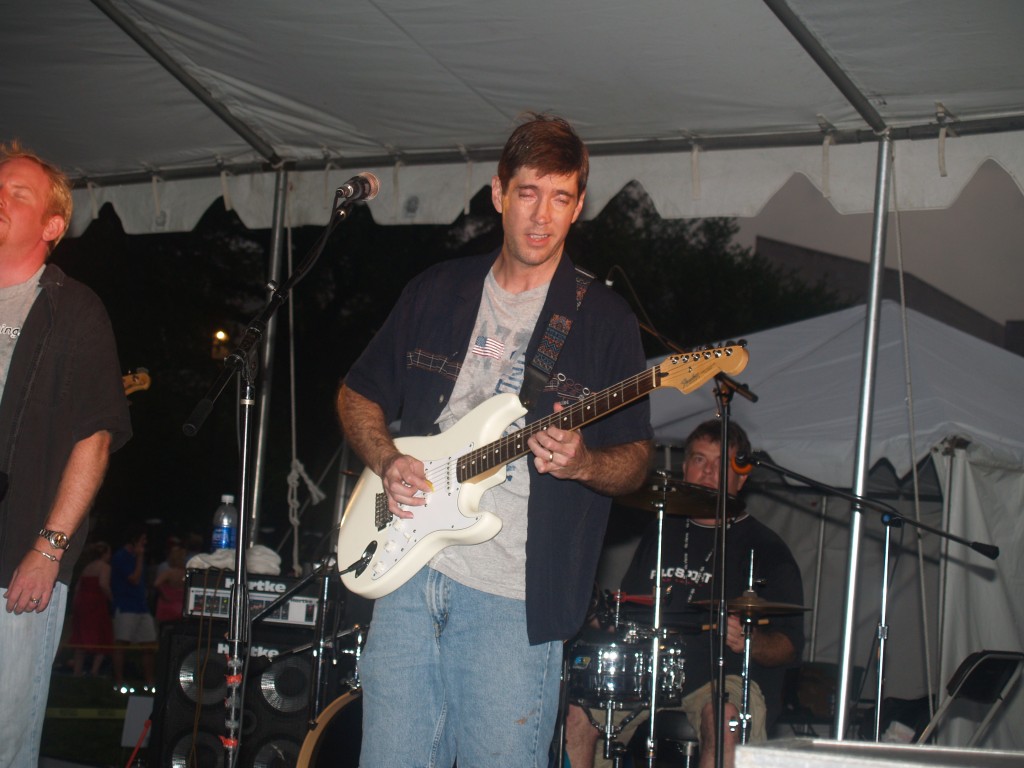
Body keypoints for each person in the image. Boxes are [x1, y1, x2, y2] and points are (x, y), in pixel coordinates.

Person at [336, 113, 654, 767]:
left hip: (514, 599)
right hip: (407, 575)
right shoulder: (437, 290)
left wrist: (585, 462)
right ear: (499, 193)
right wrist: (387, 458)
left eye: (560, 198)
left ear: (578, 207)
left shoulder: (604, 320)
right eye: (529, 193)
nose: (542, 216)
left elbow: (635, 464)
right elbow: (356, 394)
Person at [565, 419, 804, 768]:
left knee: (725, 722)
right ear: (685, 467)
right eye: (699, 459)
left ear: (741, 478)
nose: (708, 472)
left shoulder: (766, 547)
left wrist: (750, 640)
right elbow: (631, 612)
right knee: (577, 713)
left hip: (718, 679)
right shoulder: (661, 531)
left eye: (721, 463)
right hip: (647, 672)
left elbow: (790, 645)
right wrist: (599, 615)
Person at [0, 140, 132, 768]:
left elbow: (94, 437)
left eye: (16, 193)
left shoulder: (72, 310)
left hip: (13, 567)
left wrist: (48, 549)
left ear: (52, 227)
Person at [110, 525, 156, 691]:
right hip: (125, 606)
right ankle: (119, 682)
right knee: (121, 644)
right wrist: (140, 557)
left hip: (141, 606)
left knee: (149, 644)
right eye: (142, 539)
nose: (145, 542)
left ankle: (150, 683)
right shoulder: (121, 557)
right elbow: (134, 578)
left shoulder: (136, 557)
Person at [69, 541, 114, 676]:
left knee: (81, 636)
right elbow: (103, 584)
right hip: (95, 604)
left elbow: (78, 587)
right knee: (101, 635)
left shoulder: (87, 567)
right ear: (105, 554)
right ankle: (94, 670)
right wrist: (112, 598)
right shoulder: (104, 567)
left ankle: (77, 671)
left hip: (82, 603)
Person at [153, 542, 187, 626]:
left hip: (168, 605)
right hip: (181, 606)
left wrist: (164, 595)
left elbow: (156, 584)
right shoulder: (187, 573)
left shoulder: (169, 573)